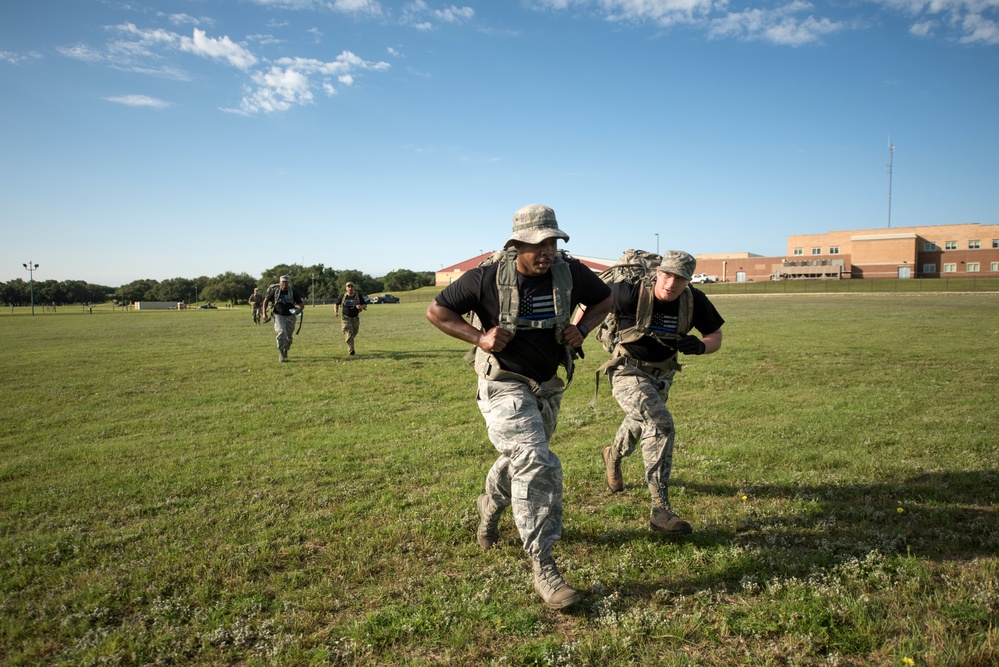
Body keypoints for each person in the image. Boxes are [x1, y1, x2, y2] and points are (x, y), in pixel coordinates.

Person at [426, 204, 612, 610]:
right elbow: (436, 311)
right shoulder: (488, 276)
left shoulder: (570, 271)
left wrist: (580, 329)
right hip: (503, 383)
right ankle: (544, 565)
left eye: (552, 242)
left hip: (547, 386)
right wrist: (479, 338)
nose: (547, 251)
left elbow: (604, 299)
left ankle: (490, 503)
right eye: (538, 244)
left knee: (523, 458)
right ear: (516, 244)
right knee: (536, 459)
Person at [594, 250, 724, 536]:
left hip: (662, 376)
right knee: (660, 424)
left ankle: (612, 454)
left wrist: (702, 346)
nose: (671, 284)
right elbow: (592, 300)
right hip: (627, 370)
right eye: (666, 275)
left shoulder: (694, 300)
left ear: (688, 281)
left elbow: (716, 336)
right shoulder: (630, 293)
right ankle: (660, 509)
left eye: (679, 279)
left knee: (640, 421)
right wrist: (575, 332)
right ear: (658, 273)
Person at [262, 275, 305, 362]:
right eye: (283, 282)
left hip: (290, 317)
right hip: (278, 316)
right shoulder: (275, 291)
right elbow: (265, 301)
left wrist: (299, 310)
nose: (284, 283)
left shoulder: (292, 292)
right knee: (281, 332)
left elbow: (301, 304)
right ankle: (281, 353)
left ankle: (286, 349)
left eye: (286, 282)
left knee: (288, 336)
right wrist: (263, 313)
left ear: (288, 282)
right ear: (280, 282)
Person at [334, 282, 367, 355]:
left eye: (351, 287)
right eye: (348, 287)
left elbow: (365, 305)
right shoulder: (342, 296)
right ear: (346, 288)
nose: (350, 288)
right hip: (345, 318)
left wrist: (360, 307)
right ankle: (351, 350)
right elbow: (336, 304)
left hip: (355, 318)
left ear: (353, 288)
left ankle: (349, 340)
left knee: (354, 333)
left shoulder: (358, 296)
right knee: (348, 333)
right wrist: (336, 311)